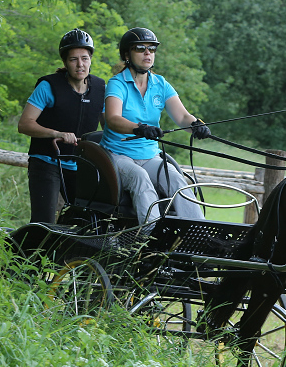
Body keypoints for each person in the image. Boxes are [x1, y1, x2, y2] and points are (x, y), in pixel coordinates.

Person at [100, 27, 211, 224]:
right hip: (118, 156)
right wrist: (139, 128)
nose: (147, 53)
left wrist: (196, 125)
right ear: (127, 54)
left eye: (152, 49)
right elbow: (112, 119)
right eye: (140, 48)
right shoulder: (116, 84)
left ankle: (198, 231)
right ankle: (150, 236)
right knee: (140, 177)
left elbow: (183, 116)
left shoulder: (160, 84)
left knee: (176, 179)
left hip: (149, 155)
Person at [17, 29, 106, 223]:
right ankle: (33, 251)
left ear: (91, 59)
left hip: (82, 165)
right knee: (44, 222)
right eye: (74, 59)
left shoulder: (100, 89)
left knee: (89, 220)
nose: (80, 64)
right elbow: (24, 124)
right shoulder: (48, 86)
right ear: (65, 62)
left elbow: (108, 127)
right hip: (46, 161)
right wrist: (56, 133)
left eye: (84, 58)